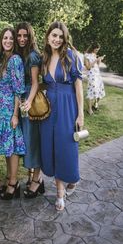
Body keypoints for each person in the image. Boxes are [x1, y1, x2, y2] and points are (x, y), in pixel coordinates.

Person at [40, 21, 84, 211]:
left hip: (67, 105)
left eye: (60, 36)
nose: (57, 39)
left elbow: (78, 85)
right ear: (48, 36)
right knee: (51, 146)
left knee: (66, 146)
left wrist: (81, 113)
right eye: (54, 35)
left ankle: (73, 178)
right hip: (48, 108)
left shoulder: (71, 56)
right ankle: (59, 192)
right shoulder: (44, 57)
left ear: (64, 38)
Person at [0, 27, 26, 200]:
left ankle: (14, 183)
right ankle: (9, 178)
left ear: (14, 42)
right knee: (7, 147)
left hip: (9, 112)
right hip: (0, 111)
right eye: (5, 38)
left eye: (10, 39)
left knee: (12, 147)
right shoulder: (2, 60)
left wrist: (15, 114)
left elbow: (18, 90)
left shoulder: (15, 60)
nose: (7, 41)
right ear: (1, 40)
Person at [15, 22, 44, 198]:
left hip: (29, 100)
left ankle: (36, 180)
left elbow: (35, 82)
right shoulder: (19, 54)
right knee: (25, 141)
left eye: (25, 35)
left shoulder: (32, 56)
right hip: (19, 98)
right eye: (19, 35)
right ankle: (31, 177)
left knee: (32, 140)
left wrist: (28, 101)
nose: (22, 39)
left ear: (30, 36)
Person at [84, 42, 105, 115]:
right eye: (96, 50)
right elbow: (88, 67)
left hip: (97, 74)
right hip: (91, 76)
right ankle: (89, 109)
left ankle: (94, 105)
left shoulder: (95, 55)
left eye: (98, 50)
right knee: (91, 91)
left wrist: (99, 60)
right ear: (92, 48)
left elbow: (97, 66)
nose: (97, 51)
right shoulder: (87, 55)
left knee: (100, 89)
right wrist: (96, 60)